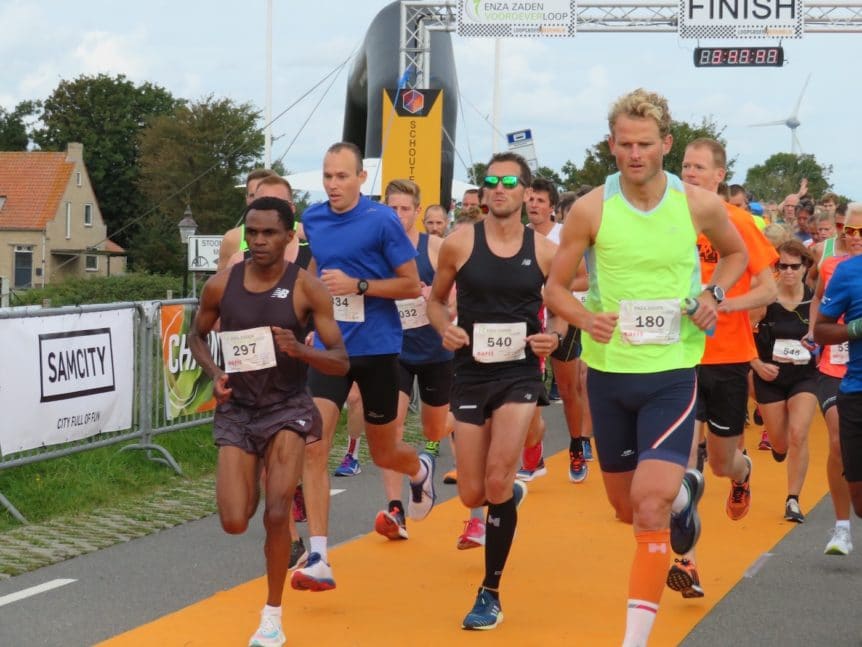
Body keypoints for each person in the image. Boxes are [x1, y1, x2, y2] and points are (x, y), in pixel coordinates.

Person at [544, 88, 747, 647]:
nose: (635, 154)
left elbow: (736, 255)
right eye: (625, 144)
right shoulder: (590, 208)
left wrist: (713, 293)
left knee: (648, 507)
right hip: (609, 374)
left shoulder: (697, 204)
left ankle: (634, 640)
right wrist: (585, 319)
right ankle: (685, 495)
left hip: (673, 369)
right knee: (625, 507)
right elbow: (554, 289)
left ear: (666, 144)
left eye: (646, 144)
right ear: (611, 145)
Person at [189, 196, 349, 647]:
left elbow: (340, 360)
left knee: (278, 514)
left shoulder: (307, 288)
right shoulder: (221, 285)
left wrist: (301, 350)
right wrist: (215, 373)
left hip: (286, 408)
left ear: (289, 236)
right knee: (235, 520)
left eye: (269, 233)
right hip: (239, 410)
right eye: (252, 233)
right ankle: (255, 473)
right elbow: (197, 335)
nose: (259, 241)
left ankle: (272, 617)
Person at [427, 151, 564, 630]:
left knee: (499, 478)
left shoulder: (544, 250)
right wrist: (445, 328)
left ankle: (490, 593)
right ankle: (505, 497)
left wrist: (556, 335)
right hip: (471, 372)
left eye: (509, 182)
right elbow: (436, 301)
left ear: (526, 192)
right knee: (472, 492)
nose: (499, 189)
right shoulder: (459, 243)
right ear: (483, 191)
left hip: (521, 373)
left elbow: (564, 304)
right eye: (491, 182)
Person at [291, 142, 436, 592]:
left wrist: (359, 285)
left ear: (361, 179)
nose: (333, 185)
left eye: (342, 176)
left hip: (377, 348)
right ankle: (319, 556)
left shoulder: (382, 221)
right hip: (332, 348)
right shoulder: (314, 218)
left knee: (384, 452)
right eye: (327, 176)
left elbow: (410, 284)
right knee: (314, 445)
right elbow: (315, 272)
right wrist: (307, 315)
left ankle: (419, 470)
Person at [666, 138, 777, 599]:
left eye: (698, 167)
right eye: (685, 166)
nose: (689, 173)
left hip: (728, 357)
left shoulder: (738, 223)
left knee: (719, 463)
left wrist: (723, 303)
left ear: (719, 175)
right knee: (682, 464)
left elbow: (768, 290)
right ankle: (686, 562)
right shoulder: (667, 219)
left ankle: (742, 473)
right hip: (678, 357)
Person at [374, 178, 453, 541]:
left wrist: (434, 296)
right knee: (391, 428)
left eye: (405, 208)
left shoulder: (434, 247)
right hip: (395, 350)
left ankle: (426, 463)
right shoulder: (377, 250)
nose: (398, 214)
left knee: (433, 430)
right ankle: (395, 510)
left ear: (417, 212)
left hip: (435, 350)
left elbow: (458, 295)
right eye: (392, 208)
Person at [520, 176, 588, 483]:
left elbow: (585, 279)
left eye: (540, 201)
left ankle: (576, 445)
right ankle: (533, 455)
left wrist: (554, 288)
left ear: (552, 208)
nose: (533, 205)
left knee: (568, 389)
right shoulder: (519, 235)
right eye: (530, 200)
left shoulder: (564, 235)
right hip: (528, 320)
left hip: (562, 317)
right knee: (527, 390)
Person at [751, 240, 819, 523]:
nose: (788, 271)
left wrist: (818, 342)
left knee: (799, 434)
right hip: (770, 376)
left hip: (805, 375)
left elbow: (827, 333)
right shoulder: (765, 299)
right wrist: (757, 365)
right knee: (780, 443)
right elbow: (742, 337)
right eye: (782, 266)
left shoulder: (814, 300)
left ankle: (793, 499)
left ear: (805, 267)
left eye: (794, 266)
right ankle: (779, 449)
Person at [808, 203, 860, 554]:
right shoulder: (833, 265)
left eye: (861, 232)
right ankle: (842, 526)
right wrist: (814, 332)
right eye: (848, 230)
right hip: (837, 368)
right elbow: (817, 305)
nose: (854, 237)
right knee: (838, 441)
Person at [218, 169, 279, 271]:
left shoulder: (300, 233)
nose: (257, 200)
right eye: (252, 195)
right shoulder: (233, 238)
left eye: (263, 195)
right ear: (246, 199)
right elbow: (221, 279)